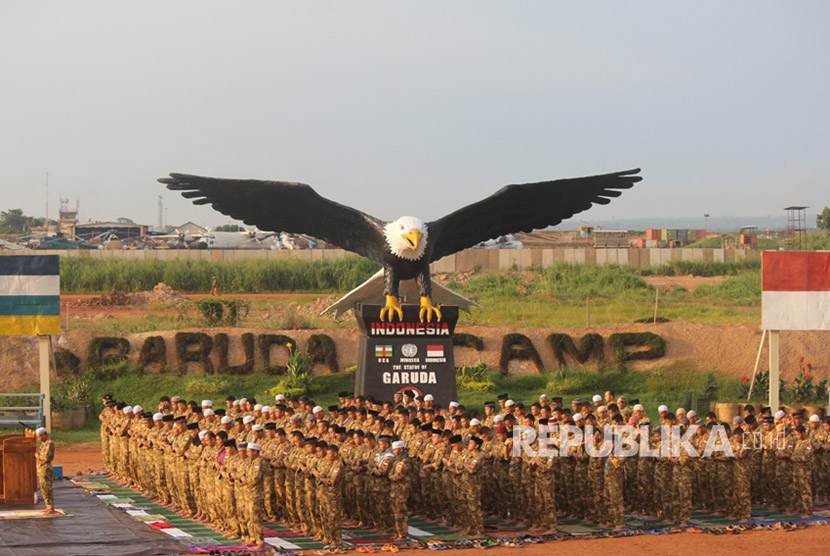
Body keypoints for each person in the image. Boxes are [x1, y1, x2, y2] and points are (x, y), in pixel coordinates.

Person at [35, 427, 58, 515]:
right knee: (43, 489)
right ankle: (48, 506)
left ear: (44, 435)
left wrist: (38, 456)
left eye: (40, 436)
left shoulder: (49, 444)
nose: (39, 439)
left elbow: (45, 458)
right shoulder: (43, 444)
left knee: (47, 488)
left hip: (45, 469)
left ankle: (51, 507)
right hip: (41, 469)